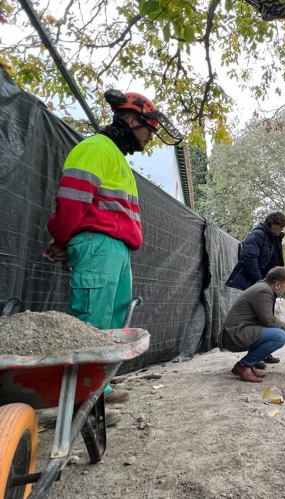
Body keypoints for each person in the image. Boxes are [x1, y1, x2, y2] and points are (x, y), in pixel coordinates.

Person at [43, 89, 181, 426]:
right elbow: (72, 201)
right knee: (91, 323)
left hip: (115, 249)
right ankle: (79, 408)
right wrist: (62, 239)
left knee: (111, 325)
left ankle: (98, 391)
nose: (149, 138)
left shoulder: (116, 158)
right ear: (131, 119)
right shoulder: (95, 149)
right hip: (98, 245)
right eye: (148, 129)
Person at [225, 211, 285, 367]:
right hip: (258, 284)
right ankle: (254, 358)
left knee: (266, 317)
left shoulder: (274, 237)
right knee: (257, 320)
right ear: (272, 223)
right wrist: (259, 281)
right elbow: (248, 257)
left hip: (269, 285)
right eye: (280, 226)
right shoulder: (258, 234)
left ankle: (263, 352)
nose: (281, 230)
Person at [220, 267, 285, 383]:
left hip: (237, 332)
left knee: (274, 332)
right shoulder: (263, 291)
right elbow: (268, 320)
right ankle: (244, 365)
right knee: (280, 336)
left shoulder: (264, 288)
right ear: (277, 285)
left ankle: (250, 365)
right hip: (235, 334)